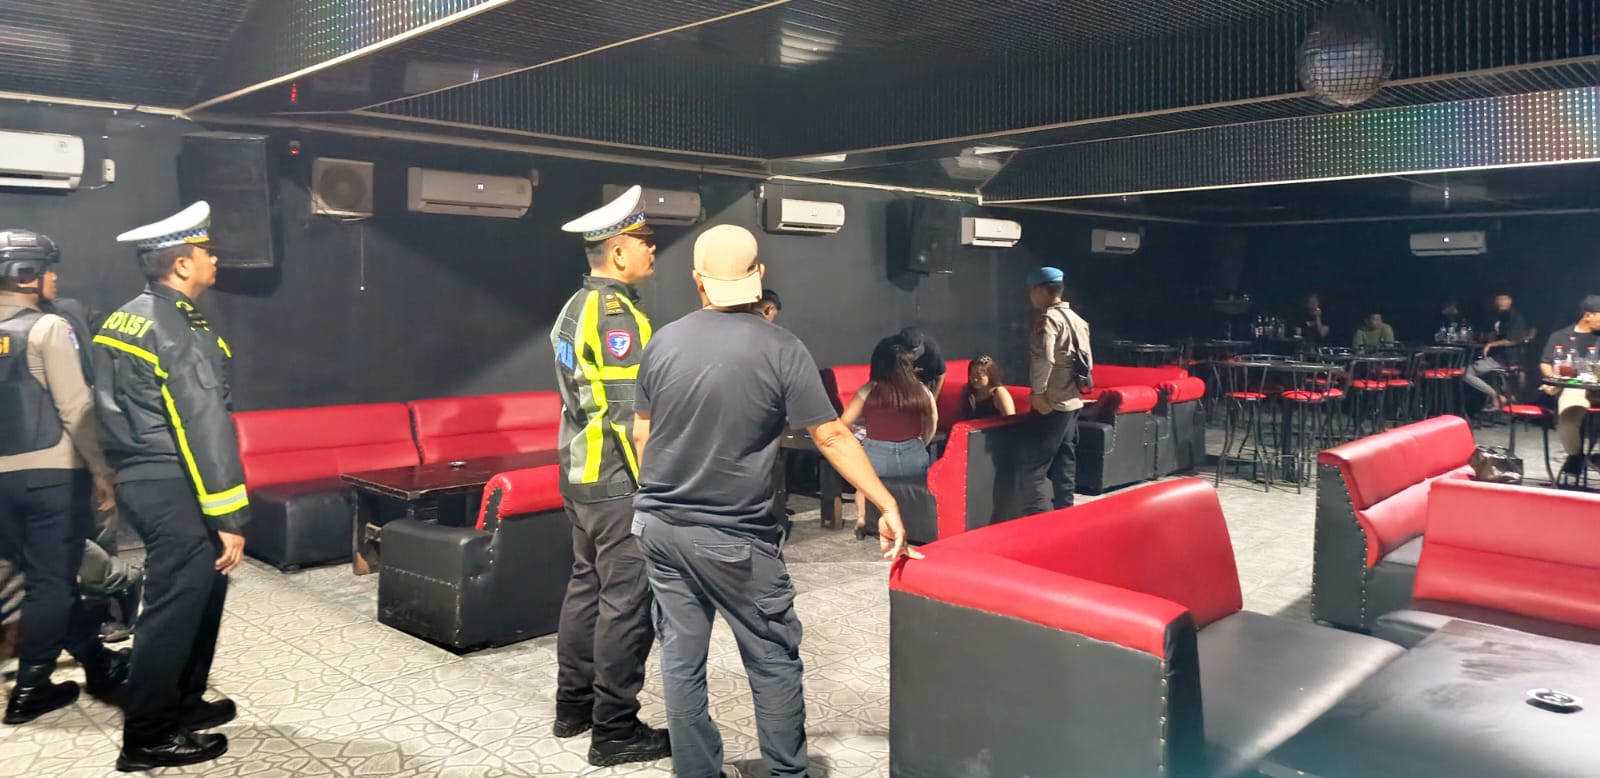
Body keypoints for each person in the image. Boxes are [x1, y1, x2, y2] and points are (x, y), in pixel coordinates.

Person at [631, 224, 916, 778]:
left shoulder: (662, 341)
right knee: (771, 659)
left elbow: (643, 432)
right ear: (759, 275)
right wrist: (886, 503)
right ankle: (787, 773)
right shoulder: (781, 346)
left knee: (681, 661)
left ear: (697, 281)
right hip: (735, 538)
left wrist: (666, 491)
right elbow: (831, 435)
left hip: (659, 528)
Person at [93, 202, 247, 771]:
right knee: (175, 606)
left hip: (142, 474)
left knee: (199, 592)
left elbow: (101, 407)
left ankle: (183, 702)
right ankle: (149, 734)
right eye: (207, 251)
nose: (215, 259)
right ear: (182, 264)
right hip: (175, 477)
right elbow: (202, 422)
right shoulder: (175, 326)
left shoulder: (125, 317)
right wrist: (229, 515)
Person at [548, 185, 670, 767]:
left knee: (586, 588)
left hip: (580, 475)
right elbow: (628, 415)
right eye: (646, 241)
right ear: (619, 252)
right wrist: (656, 487)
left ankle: (573, 707)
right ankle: (615, 729)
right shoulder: (616, 315)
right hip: (619, 479)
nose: (653, 250)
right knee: (626, 602)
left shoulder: (574, 308)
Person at [0, 228, 129, 725]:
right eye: (47, 269)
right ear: (25, 274)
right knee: (52, 582)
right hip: (50, 476)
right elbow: (76, 407)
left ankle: (97, 661)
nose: (54, 278)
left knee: (45, 580)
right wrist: (101, 469)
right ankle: (30, 690)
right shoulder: (49, 328)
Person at [39, 273, 144, 642]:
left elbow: (119, 351)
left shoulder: (73, 312)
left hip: (86, 437)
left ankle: (110, 605)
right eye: (44, 269)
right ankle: (116, 583)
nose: (53, 276)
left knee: (98, 526)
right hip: (35, 449)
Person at [839, 342, 937, 539]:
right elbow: (932, 419)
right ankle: (912, 525)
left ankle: (862, 519)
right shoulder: (921, 389)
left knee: (864, 484)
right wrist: (922, 442)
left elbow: (844, 423)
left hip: (878, 451)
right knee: (914, 489)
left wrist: (858, 442)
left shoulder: (870, 389)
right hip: (912, 452)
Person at [1019, 267, 1092, 514]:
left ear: (1041, 290)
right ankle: (1065, 516)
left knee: (1032, 468)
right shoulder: (1078, 321)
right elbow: (1088, 364)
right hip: (1072, 401)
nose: (1031, 295)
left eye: (1032, 290)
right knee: (1064, 464)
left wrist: (1038, 393)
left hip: (1051, 403)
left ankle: (1039, 521)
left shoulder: (1048, 320)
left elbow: (1044, 359)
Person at [1538, 295, 1600, 479]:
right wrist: (1553, 379)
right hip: (1577, 387)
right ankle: (1575, 455)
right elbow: (1545, 362)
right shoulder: (1560, 336)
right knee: (1568, 418)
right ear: (1588, 315)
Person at [1465, 293, 1532, 411]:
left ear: (1510, 300)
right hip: (1496, 356)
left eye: (1504, 299)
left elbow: (1512, 340)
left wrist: (1491, 344)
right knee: (1471, 368)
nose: (1501, 302)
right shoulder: (1497, 316)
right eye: (1498, 299)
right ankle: (1496, 399)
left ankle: (1496, 396)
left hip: (1507, 358)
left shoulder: (1516, 317)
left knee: (1465, 373)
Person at [888, 327, 947, 397]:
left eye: (916, 351)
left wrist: (934, 397)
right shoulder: (888, 348)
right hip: (900, 381)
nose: (914, 355)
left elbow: (940, 376)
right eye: (910, 352)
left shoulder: (931, 349)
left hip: (924, 380)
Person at [959, 356, 1016, 421]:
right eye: (972, 375)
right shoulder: (968, 391)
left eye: (979, 375)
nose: (975, 379)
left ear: (990, 375)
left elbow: (1010, 421)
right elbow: (962, 417)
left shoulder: (999, 393)